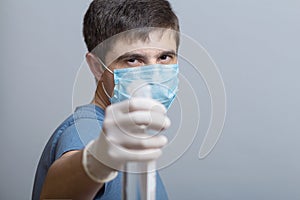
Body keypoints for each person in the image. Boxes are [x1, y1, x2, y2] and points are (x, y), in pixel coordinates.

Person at [32, 0, 180, 199]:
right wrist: (100, 157)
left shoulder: (131, 137)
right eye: (133, 60)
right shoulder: (85, 131)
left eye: (164, 57)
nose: (153, 75)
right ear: (97, 66)